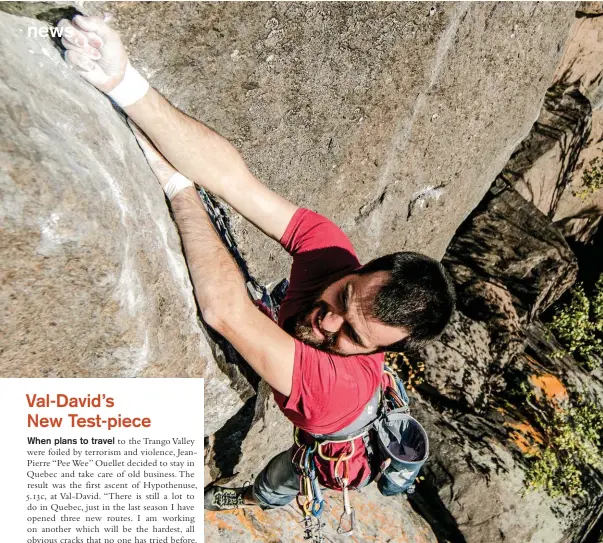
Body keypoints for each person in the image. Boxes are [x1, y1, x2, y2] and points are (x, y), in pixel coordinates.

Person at [57, 15, 455, 513]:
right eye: (344, 298)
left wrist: (179, 188)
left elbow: (226, 310)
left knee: (285, 476)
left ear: (384, 351)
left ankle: (247, 498)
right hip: (335, 398)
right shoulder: (333, 255)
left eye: (353, 335)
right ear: (359, 268)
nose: (327, 320)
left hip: (333, 435)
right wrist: (123, 82)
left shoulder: (332, 389)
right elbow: (234, 181)